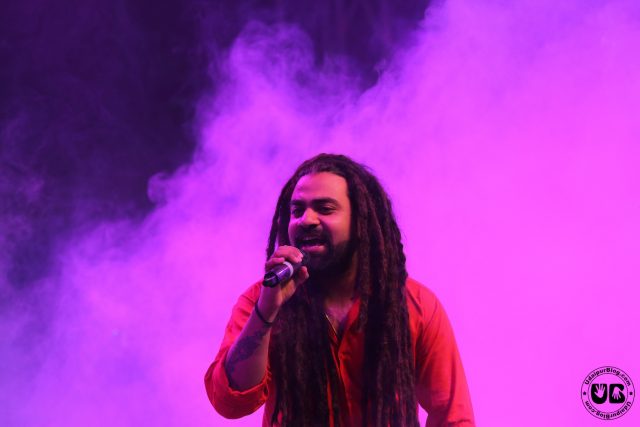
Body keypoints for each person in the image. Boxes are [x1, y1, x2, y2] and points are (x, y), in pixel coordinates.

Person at [204, 154, 475, 426]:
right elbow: (230, 402)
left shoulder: (414, 305)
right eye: (297, 210)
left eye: (325, 208)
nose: (306, 220)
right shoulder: (262, 299)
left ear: (360, 222)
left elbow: (453, 417)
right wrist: (265, 313)